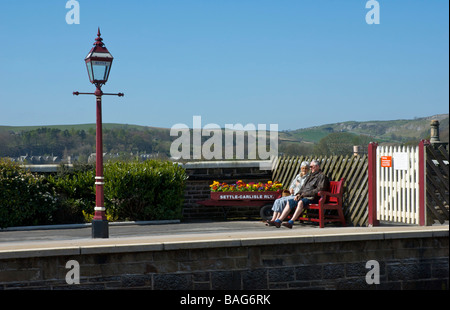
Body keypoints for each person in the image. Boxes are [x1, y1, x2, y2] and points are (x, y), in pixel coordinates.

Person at [272, 160, 329, 229]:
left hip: (313, 198)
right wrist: (298, 194)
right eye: (310, 167)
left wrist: (303, 194)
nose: (310, 168)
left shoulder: (322, 177)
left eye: (311, 167)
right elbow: (303, 187)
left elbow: (319, 190)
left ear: (317, 166)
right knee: (289, 202)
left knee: (300, 202)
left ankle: (291, 222)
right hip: (304, 196)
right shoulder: (310, 176)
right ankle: (279, 220)